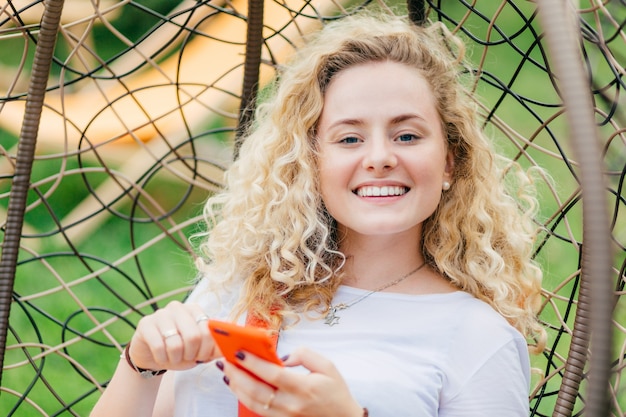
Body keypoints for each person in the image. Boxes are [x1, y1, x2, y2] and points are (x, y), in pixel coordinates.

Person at [91, 11, 545, 417]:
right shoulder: (236, 291)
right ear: (309, 161)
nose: (380, 157)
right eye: (349, 139)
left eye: (407, 135)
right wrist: (141, 363)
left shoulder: (477, 339)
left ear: (449, 161)